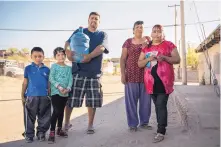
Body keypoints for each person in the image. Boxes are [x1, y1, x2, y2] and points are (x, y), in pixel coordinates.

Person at [64, 12, 109, 134]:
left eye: (96, 19)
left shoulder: (102, 34)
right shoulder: (79, 32)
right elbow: (67, 43)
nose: (94, 20)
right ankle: (66, 123)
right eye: (92, 18)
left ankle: (90, 125)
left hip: (94, 74)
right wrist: (68, 53)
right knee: (71, 100)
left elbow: (102, 48)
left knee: (92, 101)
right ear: (88, 20)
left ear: (99, 22)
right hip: (78, 71)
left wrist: (89, 56)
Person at [138, 24, 180, 143]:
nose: (156, 33)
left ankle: (161, 131)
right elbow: (139, 64)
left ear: (162, 34)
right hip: (150, 82)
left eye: (158, 31)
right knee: (157, 105)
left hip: (164, 81)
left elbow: (177, 59)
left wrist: (165, 58)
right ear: (151, 34)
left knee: (161, 104)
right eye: (154, 31)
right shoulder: (146, 47)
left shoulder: (169, 45)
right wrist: (148, 59)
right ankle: (161, 126)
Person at [120, 21, 152, 132]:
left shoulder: (148, 41)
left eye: (141, 27)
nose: (139, 29)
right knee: (131, 102)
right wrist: (123, 74)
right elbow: (123, 59)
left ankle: (144, 123)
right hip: (131, 76)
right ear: (133, 30)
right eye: (137, 27)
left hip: (145, 76)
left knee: (146, 102)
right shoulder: (128, 42)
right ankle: (133, 124)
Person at [21, 47, 51, 143]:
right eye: (35, 56)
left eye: (40, 56)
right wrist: (22, 95)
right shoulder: (28, 69)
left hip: (44, 96)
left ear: (43, 57)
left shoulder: (47, 69)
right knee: (29, 116)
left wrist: (49, 94)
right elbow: (25, 82)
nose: (38, 58)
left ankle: (41, 133)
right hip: (31, 96)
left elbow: (49, 83)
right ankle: (29, 135)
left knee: (44, 116)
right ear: (31, 57)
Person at [48, 47, 73, 143]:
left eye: (62, 54)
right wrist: (60, 87)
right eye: (58, 55)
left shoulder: (68, 68)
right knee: (56, 111)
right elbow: (51, 78)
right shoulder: (54, 66)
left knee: (61, 111)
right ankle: (52, 132)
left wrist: (68, 89)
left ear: (65, 56)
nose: (61, 56)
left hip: (65, 93)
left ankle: (59, 129)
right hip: (56, 92)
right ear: (55, 57)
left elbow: (70, 79)